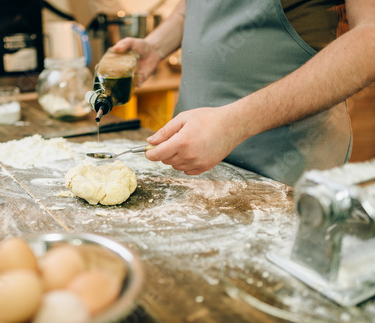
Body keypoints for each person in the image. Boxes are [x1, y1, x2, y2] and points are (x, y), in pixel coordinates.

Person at [112, 0, 375, 186]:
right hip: (190, 161)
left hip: (285, 167)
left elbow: (370, 38)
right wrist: (156, 46)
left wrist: (235, 123)